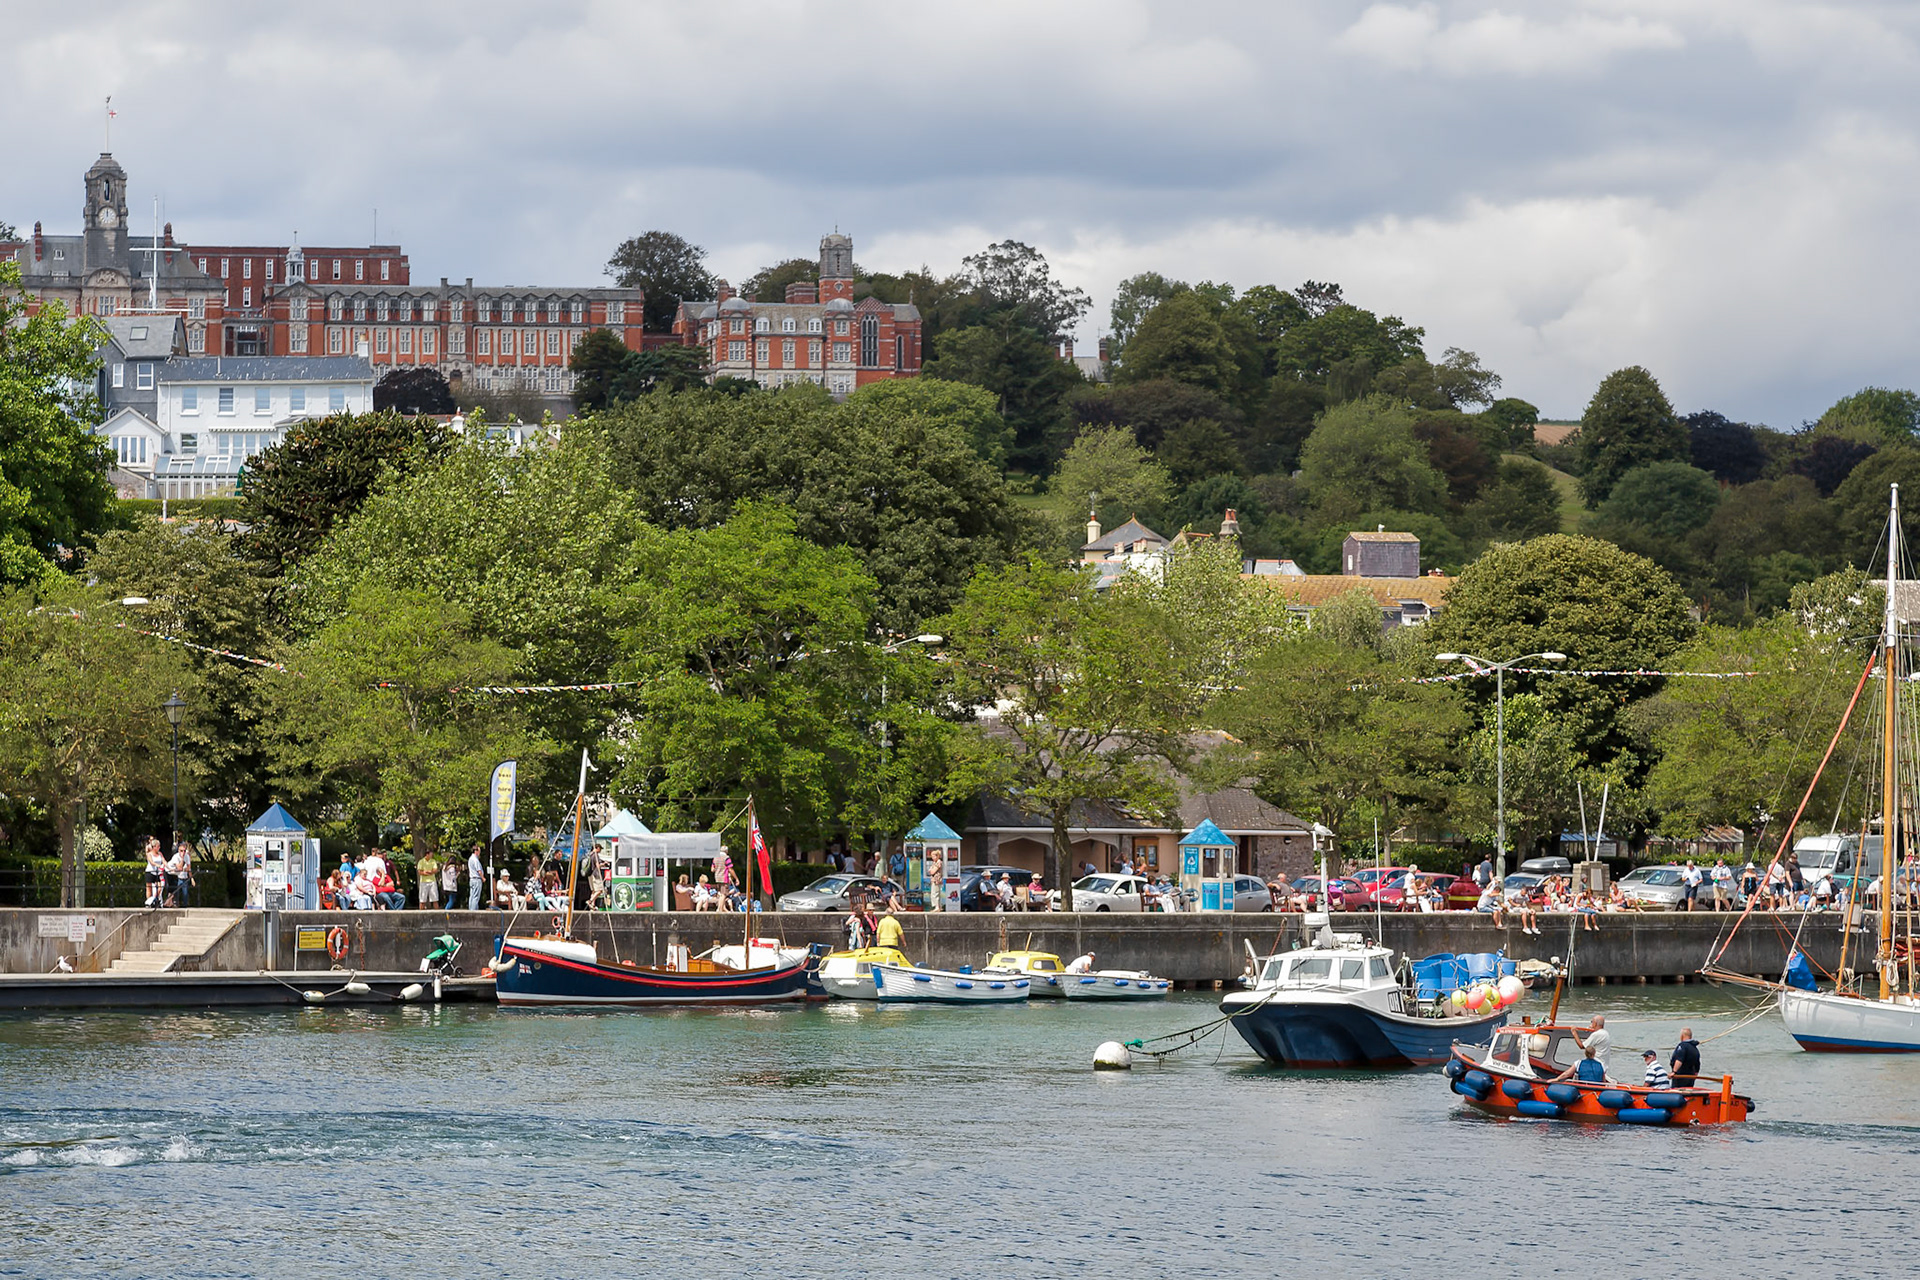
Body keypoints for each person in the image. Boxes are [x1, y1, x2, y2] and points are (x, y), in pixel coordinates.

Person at [144, 838, 167, 908]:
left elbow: (164, 861)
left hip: (157, 873)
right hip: (150, 872)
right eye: (158, 846)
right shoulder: (149, 854)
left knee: (159, 887)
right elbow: (152, 862)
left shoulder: (160, 854)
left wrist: (169, 866)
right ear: (154, 847)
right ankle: (148, 902)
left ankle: (154, 899)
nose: (159, 848)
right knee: (149, 888)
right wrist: (159, 865)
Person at [467, 845, 486, 910]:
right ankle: (473, 911)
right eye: (479, 851)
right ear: (476, 851)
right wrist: (483, 878)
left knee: (472, 895)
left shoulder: (470, 859)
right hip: (476, 879)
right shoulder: (475, 859)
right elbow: (479, 870)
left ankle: (471, 909)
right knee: (476, 896)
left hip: (472, 879)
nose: (479, 853)